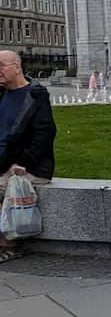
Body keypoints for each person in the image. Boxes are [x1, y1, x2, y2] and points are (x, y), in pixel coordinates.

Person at [0, 51, 56, 263]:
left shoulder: (35, 95)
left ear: (17, 67)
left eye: (1, 65)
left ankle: (9, 245)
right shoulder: (1, 94)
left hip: (30, 167)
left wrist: (22, 163)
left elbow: (45, 133)